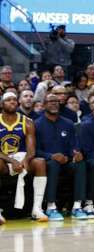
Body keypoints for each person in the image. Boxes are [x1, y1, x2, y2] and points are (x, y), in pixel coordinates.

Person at [35, 93, 89, 220]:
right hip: (47, 162)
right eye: (50, 101)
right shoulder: (36, 124)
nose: (54, 103)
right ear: (43, 105)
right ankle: (51, 207)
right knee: (53, 164)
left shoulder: (68, 123)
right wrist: (51, 156)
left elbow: (73, 146)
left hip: (66, 160)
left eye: (56, 101)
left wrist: (76, 154)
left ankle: (77, 206)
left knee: (80, 164)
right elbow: (35, 150)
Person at [0, 91, 49, 221]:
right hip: (4, 160)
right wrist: (11, 161)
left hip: (21, 158)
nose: (12, 102)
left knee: (40, 162)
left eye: (14, 100)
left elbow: (31, 150)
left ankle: (37, 209)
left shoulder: (27, 122)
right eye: (8, 100)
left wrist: (26, 161)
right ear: (1, 104)